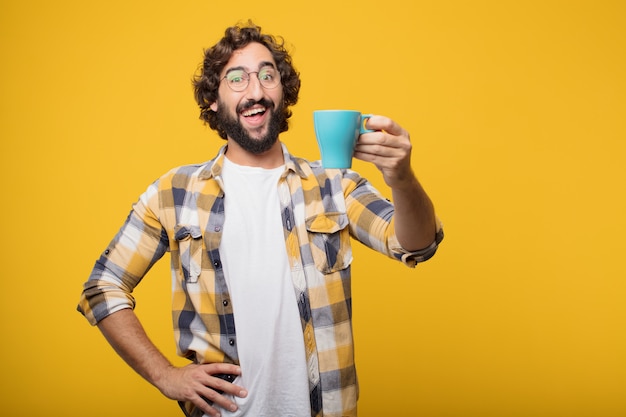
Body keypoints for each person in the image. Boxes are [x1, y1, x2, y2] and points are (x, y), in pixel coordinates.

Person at [77, 21, 443, 417]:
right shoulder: (174, 193)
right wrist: (166, 375)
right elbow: (103, 286)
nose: (255, 91)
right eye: (237, 78)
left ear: (282, 91)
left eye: (267, 75)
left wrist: (401, 177)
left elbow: (416, 244)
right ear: (213, 100)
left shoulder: (334, 186)